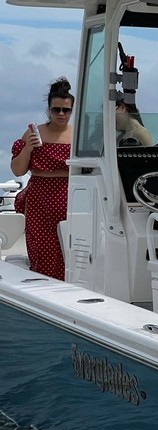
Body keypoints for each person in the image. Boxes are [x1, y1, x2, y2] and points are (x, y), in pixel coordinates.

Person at [9, 77, 75, 280]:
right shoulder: (33, 134)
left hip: (71, 196)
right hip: (40, 199)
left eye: (66, 110)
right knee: (42, 251)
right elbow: (17, 171)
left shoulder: (78, 135)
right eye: (57, 110)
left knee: (72, 253)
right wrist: (28, 147)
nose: (61, 114)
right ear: (49, 110)